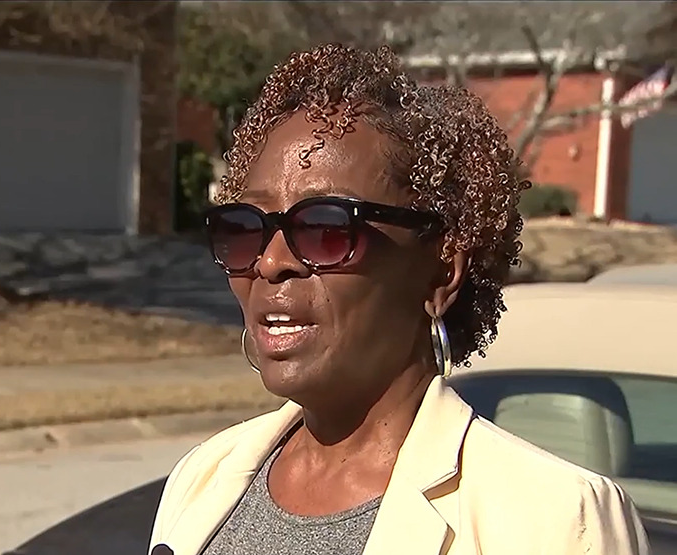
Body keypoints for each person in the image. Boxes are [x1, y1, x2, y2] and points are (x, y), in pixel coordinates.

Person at [149, 44, 649, 555]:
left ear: (441, 270)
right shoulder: (203, 478)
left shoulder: (556, 522)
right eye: (244, 228)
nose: (271, 262)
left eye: (325, 228)